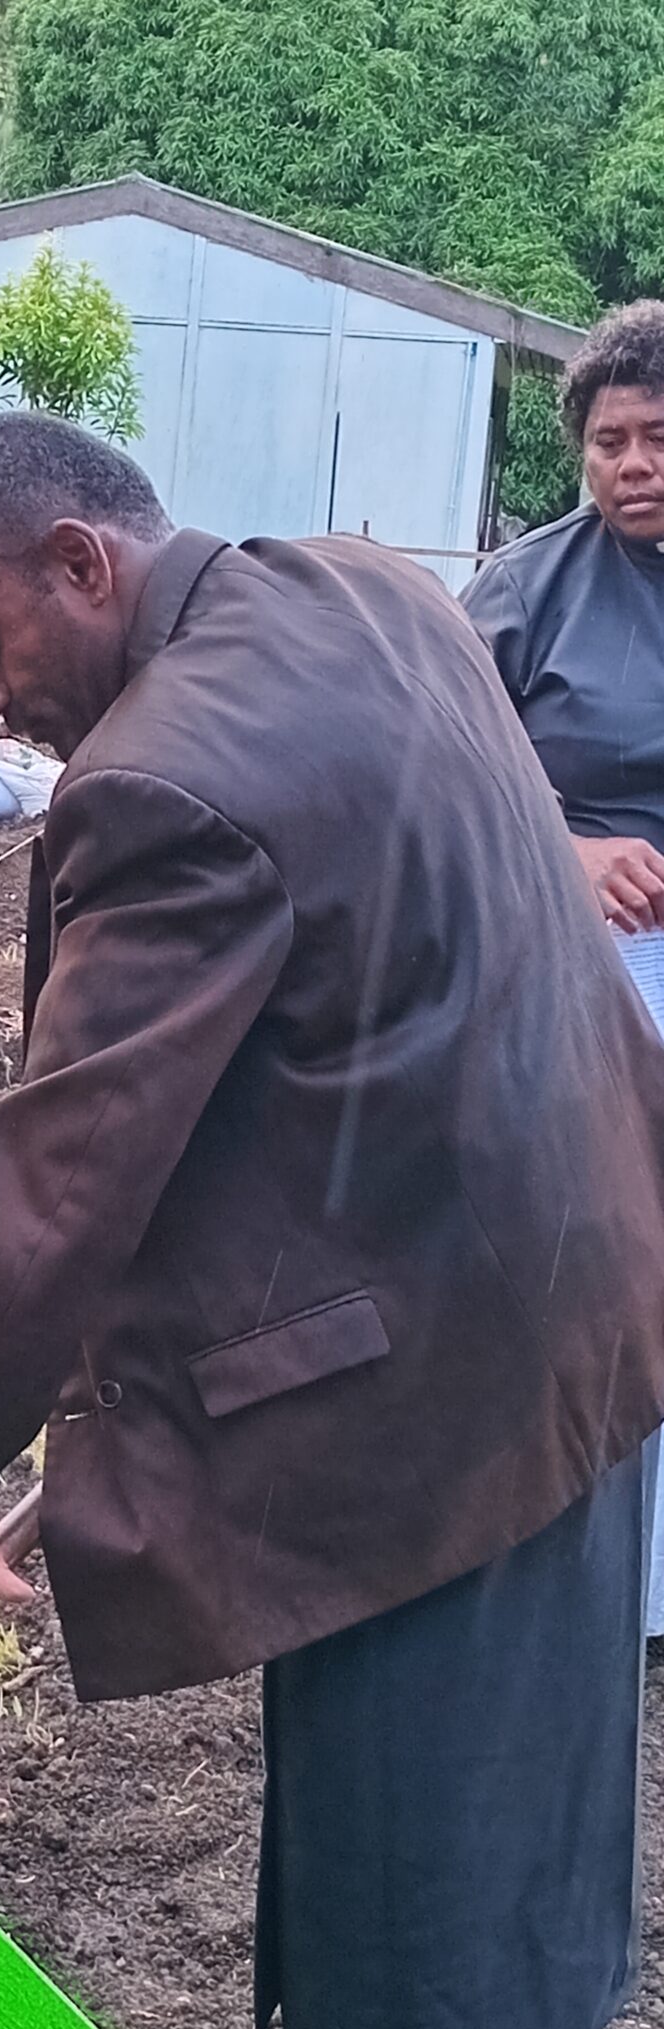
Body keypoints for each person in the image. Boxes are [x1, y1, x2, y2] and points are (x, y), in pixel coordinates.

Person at [0, 411, 664, 2029]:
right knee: (514, 1860)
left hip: (426, 1411)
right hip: (578, 1293)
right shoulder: (370, 587)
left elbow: (71, 1166)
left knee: (415, 1929)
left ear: (84, 563)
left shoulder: (169, 780)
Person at [464, 299, 664, 1631]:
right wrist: (567, 848)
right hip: (581, 967)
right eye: (611, 442)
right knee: (599, 1261)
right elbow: (430, 765)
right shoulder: (523, 593)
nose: (635, 463)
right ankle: (596, 1585)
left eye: (658, 437)